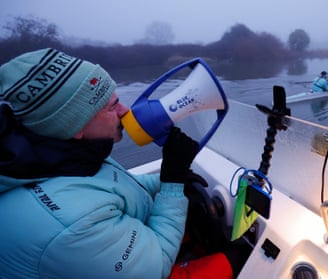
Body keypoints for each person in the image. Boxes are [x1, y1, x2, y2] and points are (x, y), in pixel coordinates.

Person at [0, 48, 247, 278]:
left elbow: (109, 189)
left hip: (101, 253)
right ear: (74, 126)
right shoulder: (67, 224)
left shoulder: (62, 154)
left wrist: (172, 176)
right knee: (240, 256)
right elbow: (158, 265)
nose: (125, 110)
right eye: (111, 107)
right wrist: (172, 183)